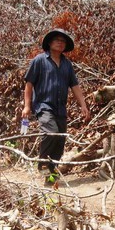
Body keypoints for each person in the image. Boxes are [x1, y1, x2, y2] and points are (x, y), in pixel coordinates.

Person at [22, 28, 90, 185]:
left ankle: (51, 174)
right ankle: (43, 165)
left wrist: (83, 105)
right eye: (57, 40)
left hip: (61, 108)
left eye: (63, 41)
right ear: (50, 43)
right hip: (44, 106)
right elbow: (29, 84)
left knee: (59, 141)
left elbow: (75, 86)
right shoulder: (39, 60)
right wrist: (27, 106)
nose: (60, 42)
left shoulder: (67, 64)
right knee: (51, 133)